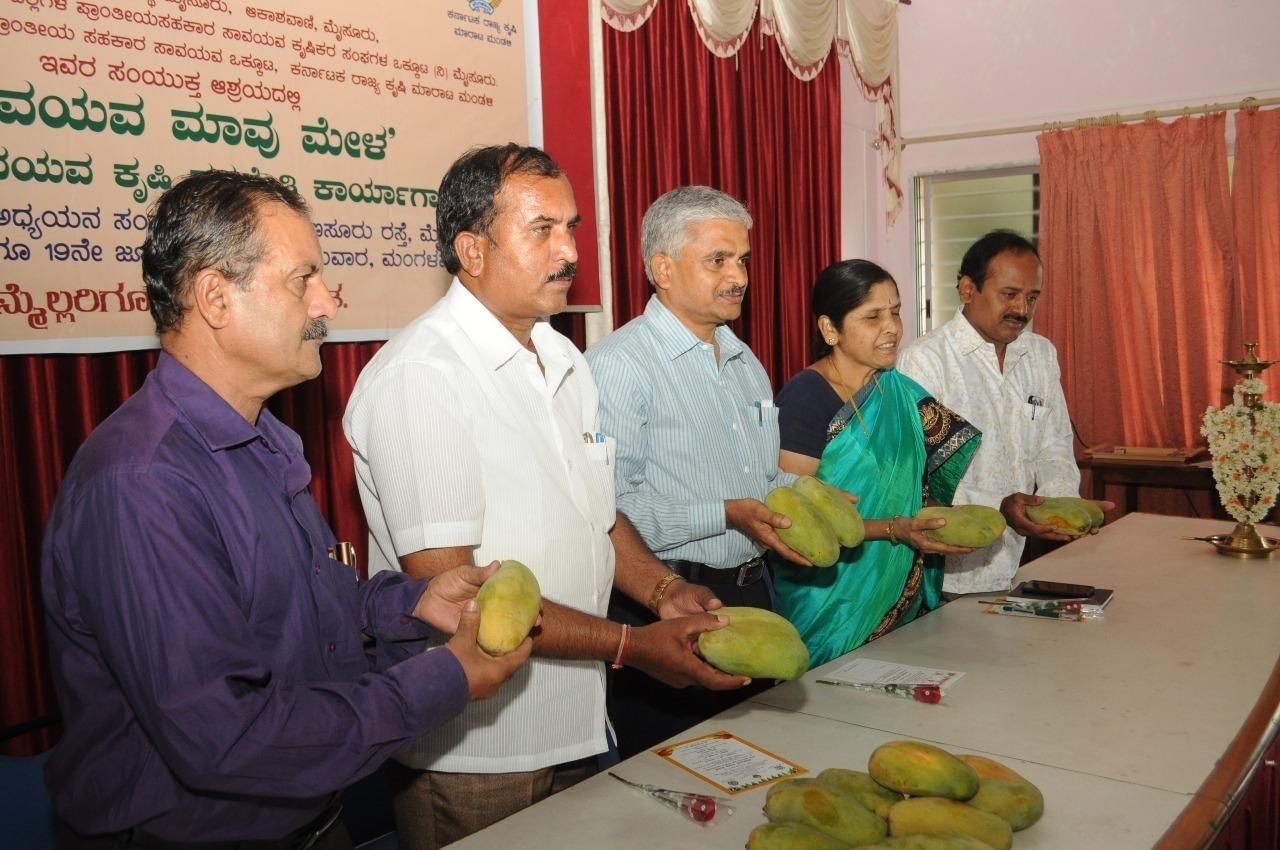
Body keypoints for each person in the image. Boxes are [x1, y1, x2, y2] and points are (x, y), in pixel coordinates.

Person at [40, 170, 533, 850]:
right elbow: (226, 738)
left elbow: (298, 615)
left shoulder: (265, 441)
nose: (327, 301)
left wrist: (413, 603)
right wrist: (446, 678)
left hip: (313, 821)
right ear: (215, 297)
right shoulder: (141, 484)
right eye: (303, 279)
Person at [343, 146, 743, 850]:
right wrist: (630, 645)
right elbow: (454, 588)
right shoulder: (422, 376)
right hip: (477, 748)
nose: (570, 252)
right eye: (542, 230)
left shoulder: (564, 357)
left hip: (577, 722)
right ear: (472, 250)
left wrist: (664, 590)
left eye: (572, 228)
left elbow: (596, 514)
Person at [585, 185, 810, 757]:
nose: (738, 277)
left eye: (743, 260)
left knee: (759, 763)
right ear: (663, 268)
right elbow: (607, 510)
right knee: (672, 776)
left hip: (752, 592)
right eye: (718, 260)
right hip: (664, 598)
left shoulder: (744, 360)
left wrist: (817, 495)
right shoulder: (618, 366)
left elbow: (761, 480)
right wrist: (725, 514)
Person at [772, 260, 983, 667]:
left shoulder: (898, 390)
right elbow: (795, 521)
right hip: (830, 602)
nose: (892, 328)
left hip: (896, 587)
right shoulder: (804, 399)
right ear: (830, 329)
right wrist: (893, 529)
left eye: (896, 313)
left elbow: (922, 484)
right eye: (872, 317)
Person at [897, 230, 1108, 596]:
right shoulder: (924, 361)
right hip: (945, 573)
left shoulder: (1040, 355)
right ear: (968, 290)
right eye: (1009, 295)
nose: (1022, 310)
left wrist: (1059, 508)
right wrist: (998, 507)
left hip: (1021, 566)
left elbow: (1054, 446)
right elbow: (915, 479)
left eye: (1032, 297)